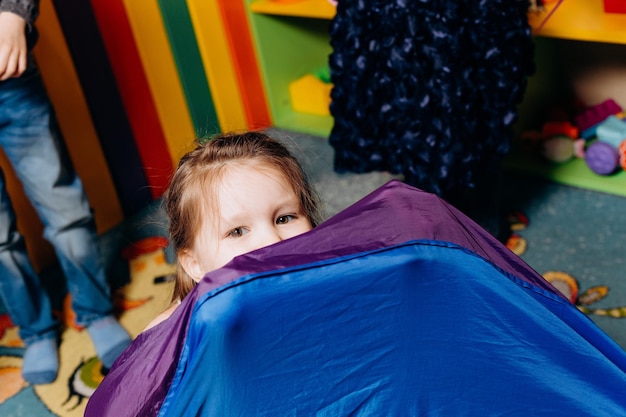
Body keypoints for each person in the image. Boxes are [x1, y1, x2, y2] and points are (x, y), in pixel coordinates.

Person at [0, 0, 130, 385]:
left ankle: (96, 310)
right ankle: (36, 331)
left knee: (64, 207)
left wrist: (12, 12)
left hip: (12, 78)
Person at [144, 131, 323, 330]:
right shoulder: (176, 336)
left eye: (284, 218)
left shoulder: (334, 281)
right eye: (237, 231)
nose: (272, 241)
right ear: (195, 264)